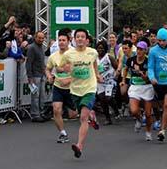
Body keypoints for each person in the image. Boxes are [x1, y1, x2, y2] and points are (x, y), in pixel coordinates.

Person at [59, 29, 103, 158]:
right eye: (77, 37)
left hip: (89, 88)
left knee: (83, 118)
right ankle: (92, 114)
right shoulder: (68, 54)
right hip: (75, 89)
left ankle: (79, 146)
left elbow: (94, 65)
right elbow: (60, 67)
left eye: (82, 37)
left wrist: (97, 75)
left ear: (86, 40)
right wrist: (64, 70)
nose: (79, 39)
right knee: (79, 113)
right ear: (74, 39)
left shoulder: (92, 52)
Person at [45, 30, 78, 143]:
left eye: (64, 40)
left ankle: (87, 112)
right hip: (58, 87)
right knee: (56, 110)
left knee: (73, 114)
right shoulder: (53, 56)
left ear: (69, 41)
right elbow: (47, 69)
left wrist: (69, 79)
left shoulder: (75, 54)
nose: (61, 42)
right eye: (59, 40)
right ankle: (63, 133)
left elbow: (81, 71)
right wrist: (49, 76)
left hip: (72, 88)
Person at [122, 41, 154, 141]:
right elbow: (126, 69)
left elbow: (147, 79)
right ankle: (139, 119)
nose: (139, 51)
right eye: (138, 49)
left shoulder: (148, 62)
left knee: (148, 114)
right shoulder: (131, 60)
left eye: (141, 49)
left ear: (145, 51)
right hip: (135, 87)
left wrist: (139, 72)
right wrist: (123, 80)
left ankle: (148, 132)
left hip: (147, 87)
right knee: (134, 110)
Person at [96, 39, 119, 125]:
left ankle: (116, 110)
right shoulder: (95, 59)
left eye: (102, 48)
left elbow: (117, 67)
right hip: (100, 82)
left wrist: (116, 75)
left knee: (108, 98)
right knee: (102, 99)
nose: (100, 50)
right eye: (98, 48)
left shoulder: (109, 57)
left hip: (110, 81)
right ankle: (108, 118)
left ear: (105, 49)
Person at [26, 32, 47, 122]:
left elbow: (42, 61)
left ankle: (41, 113)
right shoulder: (31, 48)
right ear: (35, 37)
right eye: (39, 38)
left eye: (42, 38)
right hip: (35, 76)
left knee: (42, 96)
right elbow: (29, 63)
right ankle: (35, 115)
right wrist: (30, 77)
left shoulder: (42, 47)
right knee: (35, 96)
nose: (41, 40)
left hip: (42, 75)